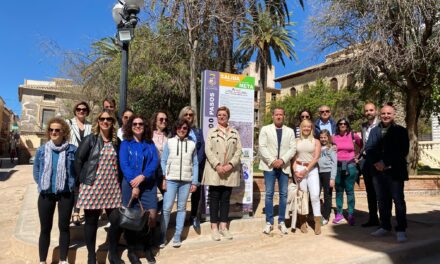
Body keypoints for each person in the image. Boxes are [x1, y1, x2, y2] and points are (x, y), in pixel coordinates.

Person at [74, 110, 123, 264]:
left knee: (116, 221)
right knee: (91, 223)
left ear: (113, 122)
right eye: (102, 119)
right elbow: (78, 160)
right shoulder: (91, 139)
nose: (105, 121)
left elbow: (120, 165)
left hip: (112, 187)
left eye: (109, 119)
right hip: (93, 187)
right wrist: (82, 180)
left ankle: (113, 254)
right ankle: (91, 257)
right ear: (98, 121)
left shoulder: (117, 142)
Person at [33, 117, 77, 264]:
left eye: (57, 130)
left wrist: (72, 185)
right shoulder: (41, 150)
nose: (54, 132)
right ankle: (42, 260)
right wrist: (42, 184)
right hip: (46, 193)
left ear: (63, 132)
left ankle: (63, 259)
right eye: (51, 129)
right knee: (45, 228)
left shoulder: (72, 150)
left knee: (64, 227)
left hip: (65, 193)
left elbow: (76, 171)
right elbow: (37, 171)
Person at [366, 104, 409, 243]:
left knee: (398, 200)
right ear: (380, 114)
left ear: (393, 115)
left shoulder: (401, 131)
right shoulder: (374, 131)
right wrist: (376, 163)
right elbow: (369, 148)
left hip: (395, 171)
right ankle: (385, 226)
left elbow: (402, 151)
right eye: (383, 113)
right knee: (382, 200)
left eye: (388, 113)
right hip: (378, 172)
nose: (386, 116)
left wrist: (385, 162)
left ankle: (401, 229)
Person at [119, 115, 158, 264]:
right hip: (130, 185)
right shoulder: (125, 144)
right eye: (134, 123)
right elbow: (124, 164)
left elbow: (154, 162)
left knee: (151, 217)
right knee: (131, 218)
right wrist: (134, 184)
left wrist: (143, 177)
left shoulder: (149, 143)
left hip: (148, 185)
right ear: (130, 126)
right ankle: (132, 250)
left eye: (141, 123)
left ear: (145, 126)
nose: (137, 126)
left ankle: (147, 247)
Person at [202, 106, 242, 241]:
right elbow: (208, 150)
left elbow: (238, 151)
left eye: (224, 114)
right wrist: (217, 165)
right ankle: (214, 228)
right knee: (214, 198)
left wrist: (230, 165)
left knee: (225, 199)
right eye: (219, 115)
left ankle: (223, 227)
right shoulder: (211, 132)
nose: (221, 117)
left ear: (228, 116)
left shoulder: (235, 133)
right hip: (215, 171)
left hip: (229, 171)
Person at [160, 119, 199, 248]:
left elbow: (195, 163)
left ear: (187, 130)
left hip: (186, 181)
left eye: (184, 128)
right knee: (166, 208)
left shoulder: (192, 144)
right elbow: (164, 160)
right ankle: (162, 236)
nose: (182, 130)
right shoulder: (169, 142)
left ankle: (177, 236)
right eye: (179, 128)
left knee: (181, 209)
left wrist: (194, 181)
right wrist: (165, 177)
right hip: (171, 179)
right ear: (175, 129)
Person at [259, 107, 296, 235]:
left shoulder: (290, 131)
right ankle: (269, 222)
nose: (279, 116)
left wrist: (282, 160)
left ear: (284, 116)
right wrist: (273, 161)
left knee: (283, 194)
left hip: (284, 166)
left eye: (281, 114)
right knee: (269, 193)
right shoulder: (265, 129)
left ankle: (281, 221)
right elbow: (262, 147)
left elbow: (293, 148)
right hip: (269, 166)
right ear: (273, 116)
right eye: (276, 114)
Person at [292, 119, 322, 235]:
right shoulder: (296, 141)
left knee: (314, 195)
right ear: (300, 127)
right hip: (299, 169)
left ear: (311, 128)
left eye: (308, 127)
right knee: (302, 196)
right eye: (304, 126)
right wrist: (295, 171)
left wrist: (306, 170)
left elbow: (315, 158)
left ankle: (317, 221)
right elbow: (294, 158)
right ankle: (302, 221)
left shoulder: (316, 141)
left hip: (311, 170)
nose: (306, 128)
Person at [178, 106, 205, 231]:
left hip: (196, 167)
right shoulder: (178, 130)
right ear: (182, 116)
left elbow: (202, 148)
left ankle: (194, 216)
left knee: (196, 193)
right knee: (181, 193)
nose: (189, 117)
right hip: (181, 167)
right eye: (186, 114)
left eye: (191, 115)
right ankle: (180, 218)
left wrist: (197, 163)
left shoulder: (198, 131)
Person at [66, 101, 93, 225]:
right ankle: (74, 212)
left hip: (85, 159)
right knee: (73, 185)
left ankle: (79, 212)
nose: (81, 111)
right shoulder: (68, 123)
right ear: (75, 110)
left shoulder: (91, 126)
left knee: (82, 186)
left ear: (87, 112)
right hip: (71, 158)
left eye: (84, 109)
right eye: (78, 109)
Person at [332, 118, 362, 225]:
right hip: (337, 166)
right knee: (339, 191)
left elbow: (362, 145)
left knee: (350, 191)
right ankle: (339, 214)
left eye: (345, 123)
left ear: (347, 125)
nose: (342, 125)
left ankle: (350, 214)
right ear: (338, 125)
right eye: (340, 123)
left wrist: (358, 157)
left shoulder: (353, 135)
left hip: (350, 166)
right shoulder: (333, 137)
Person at [359, 102, 380, 227]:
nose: (368, 113)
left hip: (377, 161)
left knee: (380, 191)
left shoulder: (381, 125)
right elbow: (363, 143)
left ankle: (384, 219)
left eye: (371, 110)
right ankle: (373, 218)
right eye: (366, 111)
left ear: (375, 111)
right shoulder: (363, 126)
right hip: (366, 161)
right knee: (370, 192)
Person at [151, 110, 170, 213]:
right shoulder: (149, 136)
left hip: (164, 171)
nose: (164, 121)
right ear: (155, 121)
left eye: (166, 119)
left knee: (168, 196)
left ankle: (157, 212)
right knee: (151, 197)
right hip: (151, 170)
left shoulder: (169, 136)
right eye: (161, 119)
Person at [317, 129, 337, 225]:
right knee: (316, 194)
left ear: (328, 138)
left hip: (327, 173)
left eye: (325, 137)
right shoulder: (317, 147)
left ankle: (326, 216)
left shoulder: (331, 148)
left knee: (327, 196)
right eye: (321, 137)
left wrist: (332, 178)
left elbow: (334, 163)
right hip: (318, 173)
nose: (323, 139)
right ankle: (317, 214)